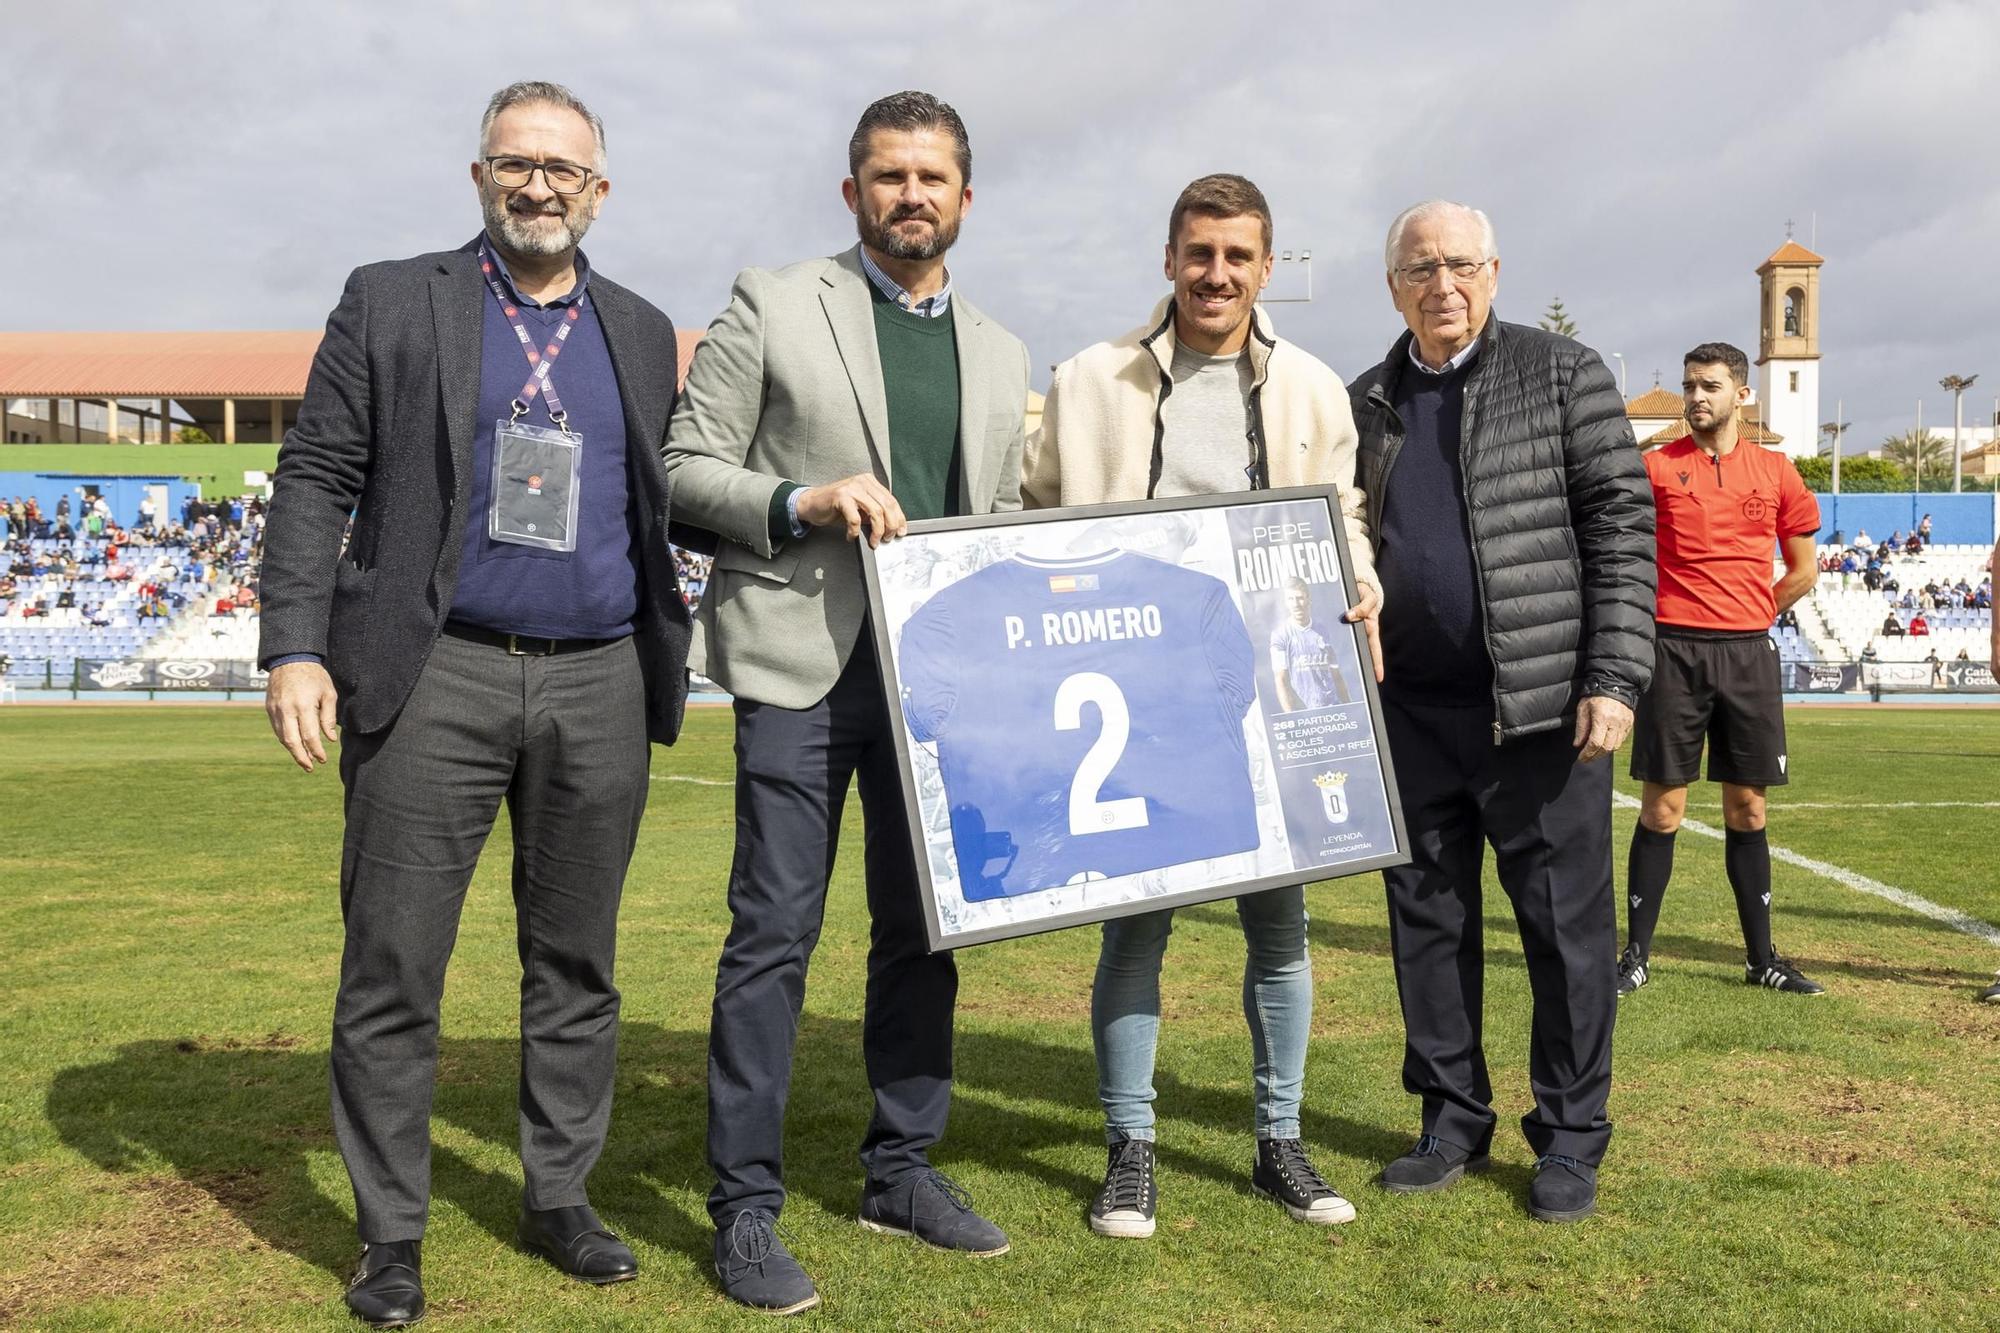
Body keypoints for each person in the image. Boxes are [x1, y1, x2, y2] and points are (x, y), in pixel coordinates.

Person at [258, 81, 691, 1328]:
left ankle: (560, 1195)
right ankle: (389, 1233)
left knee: (576, 963)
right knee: (393, 962)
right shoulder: (395, 298)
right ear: (479, 175)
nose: (539, 184)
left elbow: (668, 497)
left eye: (563, 167)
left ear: (599, 189)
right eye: (517, 162)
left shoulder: (643, 327)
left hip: (601, 671)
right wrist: (295, 645)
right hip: (430, 667)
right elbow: (316, 477)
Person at [662, 91, 1028, 1316]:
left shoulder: (999, 347)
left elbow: (1001, 522)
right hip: (797, 668)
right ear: (851, 192)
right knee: (772, 938)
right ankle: (746, 1207)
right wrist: (802, 499)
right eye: (886, 176)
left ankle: (900, 1168)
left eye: (931, 178)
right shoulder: (772, 300)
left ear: (964, 198)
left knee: (923, 935)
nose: (909, 195)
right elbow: (681, 467)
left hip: (939, 685)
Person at [1021, 174, 1379, 1240]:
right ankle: (1129, 1149)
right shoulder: (1089, 378)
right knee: (1135, 930)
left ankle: (1278, 1140)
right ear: (1169, 258)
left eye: (1237, 255)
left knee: (1281, 928)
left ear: (1266, 267)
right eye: (1198, 252)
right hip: (1138, 693)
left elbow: (1340, 513)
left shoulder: (1313, 385)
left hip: (1272, 683)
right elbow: (1035, 513)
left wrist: (1358, 575)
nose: (1215, 273)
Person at [1348, 200, 1654, 1224]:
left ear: (1493, 271)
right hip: (1409, 713)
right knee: (1425, 926)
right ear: (1392, 285)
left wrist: (1612, 678)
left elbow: (1621, 525)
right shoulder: (1366, 400)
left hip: (1541, 710)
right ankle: (1448, 1118)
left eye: (1460, 264)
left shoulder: (1563, 373)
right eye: (1419, 267)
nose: (1442, 283)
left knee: (1565, 935)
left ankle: (1568, 1137)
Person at [1617, 342, 1825, 1000]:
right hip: (1672, 652)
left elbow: (1804, 570)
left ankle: (1761, 958)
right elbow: (1621, 555)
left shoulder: (1776, 472)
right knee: (1662, 808)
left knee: (1748, 806)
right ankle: (1634, 957)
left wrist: (1753, 611)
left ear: (1742, 394)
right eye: (1689, 385)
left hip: (1747, 654)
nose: (1696, 396)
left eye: (1709, 385)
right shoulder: (1653, 469)